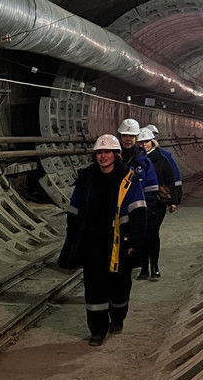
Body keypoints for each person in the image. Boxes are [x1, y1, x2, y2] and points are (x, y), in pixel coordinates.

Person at [58, 134, 147, 346]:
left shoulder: (128, 178)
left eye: (107, 152)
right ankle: (97, 330)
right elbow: (74, 210)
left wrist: (135, 241)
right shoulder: (86, 178)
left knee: (119, 285)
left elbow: (139, 211)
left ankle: (117, 317)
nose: (102, 156)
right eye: (99, 153)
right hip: (92, 243)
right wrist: (73, 238)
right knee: (94, 285)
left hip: (119, 242)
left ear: (115, 155)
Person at [136, 126, 176, 279]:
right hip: (141, 202)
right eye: (141, 142)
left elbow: (170, 180)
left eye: (146, 141)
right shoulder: (136, 159)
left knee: (152, 232)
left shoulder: (162, 160)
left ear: (152, 142)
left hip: (157, 203)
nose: (144, 145)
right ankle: (144, 269)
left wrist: (173, 201)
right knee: (142, 234)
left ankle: (154, 267)